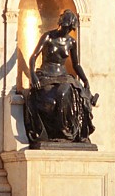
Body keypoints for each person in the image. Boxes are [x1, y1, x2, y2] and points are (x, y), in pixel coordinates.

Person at [24, 10, 98, 144]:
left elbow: (76, 64)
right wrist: (33, 75)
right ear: (60, 24)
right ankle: (58, 133)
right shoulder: (48, 37)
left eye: (68, 28)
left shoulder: (72, 42)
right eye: (64, 26)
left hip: (62, 76)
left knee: (65, 93)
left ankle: (66, 132)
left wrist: (85, 80)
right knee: (52, 100)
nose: (65, 30)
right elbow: (33, 57)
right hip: (46, 74)